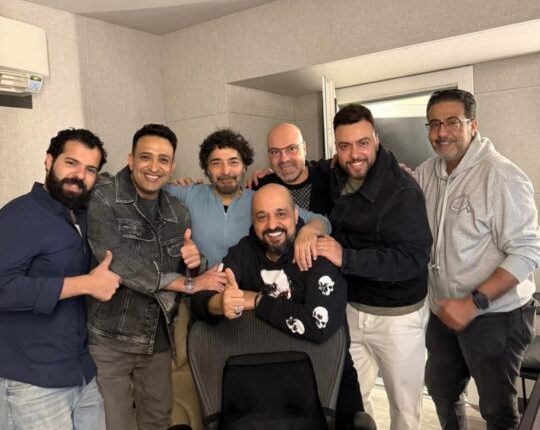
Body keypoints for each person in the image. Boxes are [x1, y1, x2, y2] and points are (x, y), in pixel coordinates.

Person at [165, 128, 332, 429]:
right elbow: (150, 184)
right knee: (208, 385)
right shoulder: (191, 195)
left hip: (256, 306)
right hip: (208, 297)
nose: (225, 170)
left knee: (256, 380)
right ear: (206, 168)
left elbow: (321, 221)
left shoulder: (260, 200)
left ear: (245, 165)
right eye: (216, 163)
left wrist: (309, 230)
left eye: (233, 161)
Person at [86, 124, 226, 430]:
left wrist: (195, 263)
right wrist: (188, 283)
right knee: (115, 425)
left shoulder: (177, 211)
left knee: (158, 421)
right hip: (111, 338)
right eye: (145, 157)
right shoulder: (104, 198)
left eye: (163, 160)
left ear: (172, 166)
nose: (154, 167)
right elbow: (119, 262)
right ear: (131, 159)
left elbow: (185, 264)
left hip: (158, 337)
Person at [414, 89, 540, 430]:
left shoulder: (501, 175)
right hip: (444, 312)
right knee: (442, 391)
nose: (442, 132)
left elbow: (528, 251)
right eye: (434, 124)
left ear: (473, 125)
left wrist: (473, 303)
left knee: (497, 409)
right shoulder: (428, 172)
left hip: (496, 314)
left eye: (452, 122)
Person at [315, 104, 433, 430]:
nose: (354, 154)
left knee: (404, 409)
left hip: (398, 317)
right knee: (353, 403)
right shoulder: (336, 172)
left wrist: (346, 257)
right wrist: (263, 175)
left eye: (363, 143)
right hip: (352, 309)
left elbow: (412, 258)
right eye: (344, 145)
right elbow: (311, 169)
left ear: (376, 140)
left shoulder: (404, 191)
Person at [0, 128, 121, 430]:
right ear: (48, 160)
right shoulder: (18, 216)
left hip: (80, 373)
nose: (79, 175)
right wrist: (85, 284)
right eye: (71, 163)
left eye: (90, 169)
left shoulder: (82, 215)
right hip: (32, 383)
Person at [253, 122, 332, 214]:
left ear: (304, 148)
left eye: (291, 149)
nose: (284, 159)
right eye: (275, 152)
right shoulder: (260, 188)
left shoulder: (330, 179)